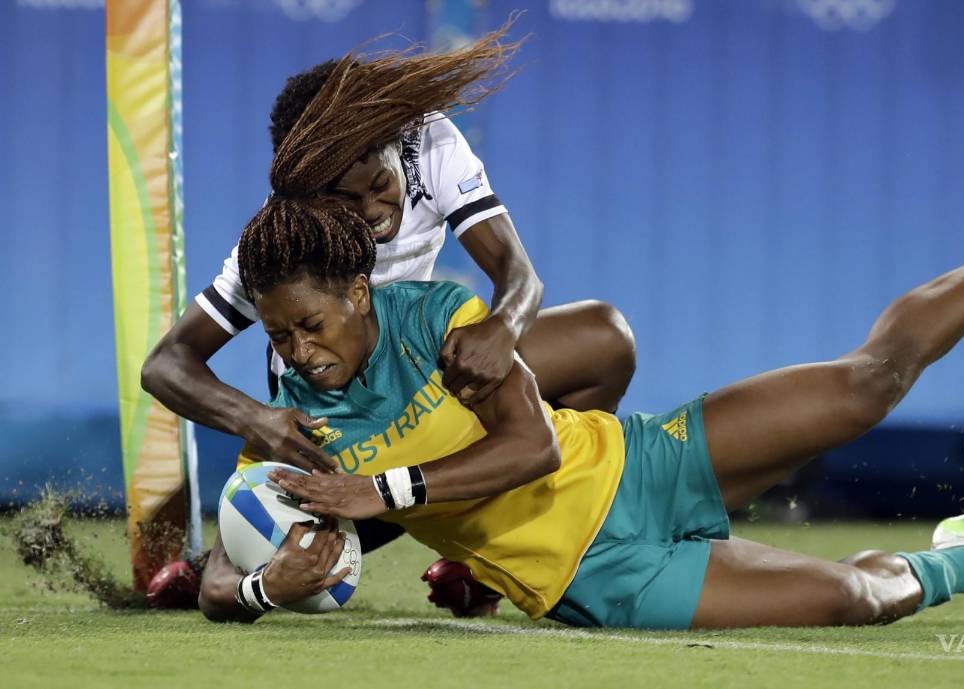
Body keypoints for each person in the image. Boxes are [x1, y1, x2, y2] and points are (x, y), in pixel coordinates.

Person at [197, 153, 964, 627]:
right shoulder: (296, 428)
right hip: (602, 577)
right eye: (276, 333)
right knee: (848, 596)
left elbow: (535, 444)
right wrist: (255, 585)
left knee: (867, 383)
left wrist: (385, 492)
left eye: (311, 325)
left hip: (643, 462)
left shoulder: (435, 314)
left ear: (362, 291)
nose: (296, 351)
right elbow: (217, 573)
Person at [143, 23, 634, 614]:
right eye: (350, 202)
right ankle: (232, 565)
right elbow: (167, 363)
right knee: (332, 514)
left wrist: (502, 327)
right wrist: (260, 420)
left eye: (381, 185)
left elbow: (517, 272)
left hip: (425, 370)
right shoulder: (285, 237)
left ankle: (498, 544)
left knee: (604, 340)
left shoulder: (430, 143)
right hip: (340, 414)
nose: (378, 214)